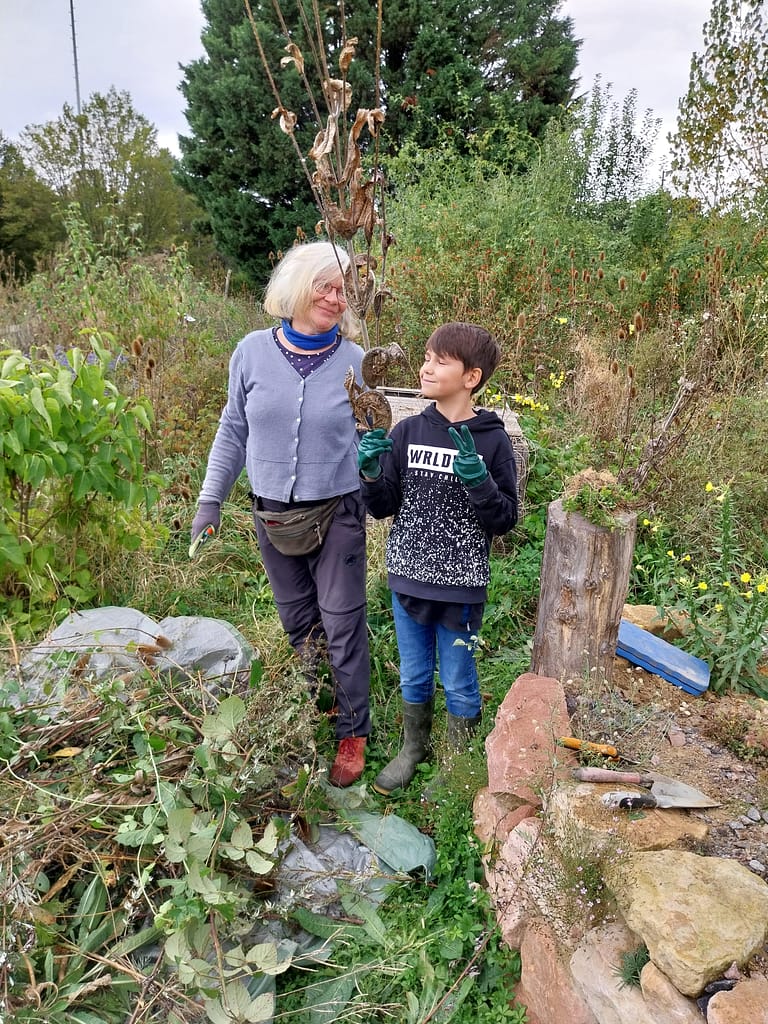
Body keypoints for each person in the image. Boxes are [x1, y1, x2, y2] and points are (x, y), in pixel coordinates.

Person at [191, 241, 371, 787]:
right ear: (297, 286)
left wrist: (375, 465)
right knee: (298, 621)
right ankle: (316, 703)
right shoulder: (250, 352)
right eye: (325, 286)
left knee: (342, 622)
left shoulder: (355, 362)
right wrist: (210, 500)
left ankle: (353, 731)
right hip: (271, 514)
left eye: (343, 289)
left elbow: (372, 435)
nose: (335, 298)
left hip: (337, 510)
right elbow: (233, 430)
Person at [358, 322, 518, 795]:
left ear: (471, 377)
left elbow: (505, 518)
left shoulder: (492, 441)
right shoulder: (408, 431)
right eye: (426, 358)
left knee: (459, 680)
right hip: (407, 578)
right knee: (413, 674)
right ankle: (413, 749)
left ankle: (456, 761)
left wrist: (479, 482)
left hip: (461, 588)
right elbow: (383, 505)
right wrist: (371, 473)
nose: (426, 367)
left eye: (439, 361)